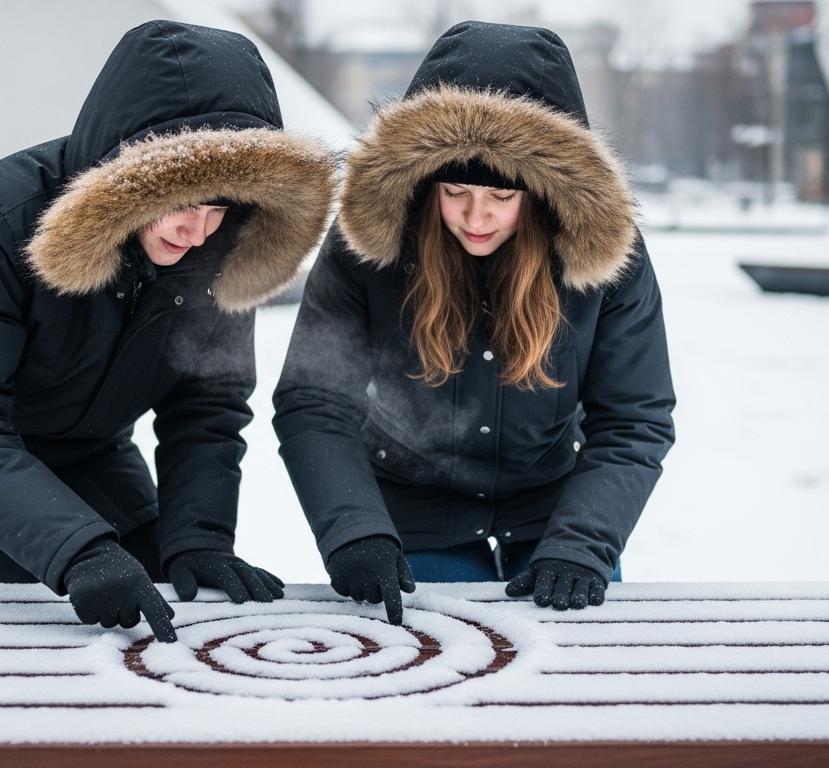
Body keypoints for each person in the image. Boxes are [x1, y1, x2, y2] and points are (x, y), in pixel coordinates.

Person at [0, 21, 336, 643]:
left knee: (163, 584)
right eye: (181, 203)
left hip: (85, 447)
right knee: (17, 615)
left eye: (218, 208)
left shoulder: (221, 246)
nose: (196, 232)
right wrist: (78, 550)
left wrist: (198, 539)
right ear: (130, 176)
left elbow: (206, 405)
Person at [273, 22, 675, 625]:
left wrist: (582, 543)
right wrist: (355, 529)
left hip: (552, 509)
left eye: (502, 198)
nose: (475, 216)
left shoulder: (605, 258)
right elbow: (314, 400)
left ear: (541, 192)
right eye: (455, 190)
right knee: (436, 645)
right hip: (413, 504)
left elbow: (633, 417)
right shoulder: (369, 248)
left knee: (570, 650)